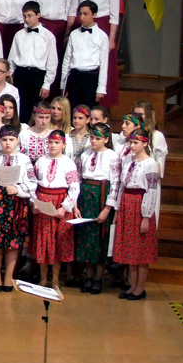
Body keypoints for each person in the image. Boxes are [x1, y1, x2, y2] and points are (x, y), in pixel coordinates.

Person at [67, 0, 121, 108]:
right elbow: (72, 8)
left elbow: (114, 14)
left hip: (102, 25)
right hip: (81, 23)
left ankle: (100, 105)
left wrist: (111, 37)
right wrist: (67, 32)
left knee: (103, 65)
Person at [112, 128, 160, 301]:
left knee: (141, 248)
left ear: (145, 143)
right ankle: (133, 285)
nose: (132, 146)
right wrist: (118, 209)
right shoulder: (128, 160)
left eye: (136, 142)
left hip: (140, 206)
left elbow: (152, 191)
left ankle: (140, 287)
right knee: (130, 248)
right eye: (131, 142)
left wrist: (146, 216)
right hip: (127, 203)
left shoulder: (150, 164)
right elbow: (122, 187)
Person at [0, 126, 34, 291]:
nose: (7, 143)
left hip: (16, 203)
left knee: (13, 241)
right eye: (4, 140)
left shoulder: (24, 159)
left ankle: (9, 276)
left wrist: (18, 190)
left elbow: (33, 183)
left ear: (17, 141)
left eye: (11, 140)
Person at [30, 130, 80, 289]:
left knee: (57, 243)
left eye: (57, 142)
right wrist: (34, 202)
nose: (53, 145)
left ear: (64, 144)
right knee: (44, 241)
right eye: (50, 142)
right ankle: (43, 278)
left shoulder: (68, 163)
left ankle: (56, 280)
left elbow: (74, 188)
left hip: (60, 203)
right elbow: (32, 183)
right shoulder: (40, 161)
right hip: (43, 201)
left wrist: (64, 208)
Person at [74, 122, 119, 294]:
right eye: (92, 137)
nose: (93, 141)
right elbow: (77, 180)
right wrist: (76, 205)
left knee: (100, 238)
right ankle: (88, 275)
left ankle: (98, 278)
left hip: (101, 196)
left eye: (97, 138)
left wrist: (107, 209)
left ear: (106, 139)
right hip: (86, 196)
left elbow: (115, 184)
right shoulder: (85, 154)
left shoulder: (112, 156)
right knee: (86, 237)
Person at [32, 0, 73, 94]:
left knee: (56, 62)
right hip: (41, 24)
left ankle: (54, 95)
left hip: (59, 27)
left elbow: (70, 9)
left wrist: (67, 32)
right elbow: (34, 5)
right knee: (40, 59)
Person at [8, 1, 59, 123]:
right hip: (21, 74)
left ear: (38, 15)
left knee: (35, 110)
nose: (27, 19)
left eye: (30, 15)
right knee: (19, 109)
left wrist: (47, 84)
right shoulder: (19, 35)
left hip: (37, 76)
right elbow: (12, 59)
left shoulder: (48, 36)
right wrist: (9, 77)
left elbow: (52, 62)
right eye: (24, 16)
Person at [61, 0, 110, 110]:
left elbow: (104, 64)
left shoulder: (101, 36)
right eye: (80, 14)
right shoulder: (74, 34)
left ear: (94, 14)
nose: (82, 17)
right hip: (74, 77)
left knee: (89, 111)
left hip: (90, 78)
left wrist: (101, 88)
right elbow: (67, 60)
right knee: (73, 110)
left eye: (85, 14)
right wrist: (63, 84)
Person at [132, 100, 169, 177]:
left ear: (149, 116)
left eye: (141, 114)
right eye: (135, 114)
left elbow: (159, 167)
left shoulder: (157, 136)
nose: (138, 117)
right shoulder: (126, 135)